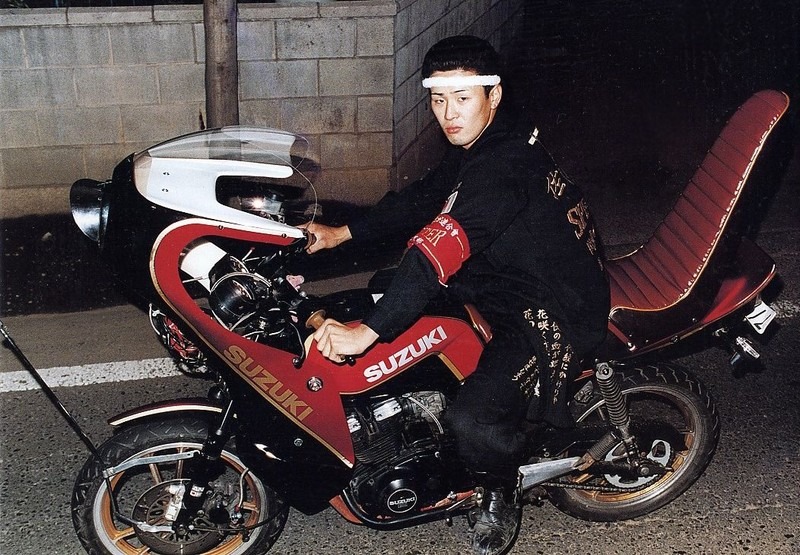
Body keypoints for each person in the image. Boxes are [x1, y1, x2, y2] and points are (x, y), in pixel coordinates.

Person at [304, 35, 609, 555]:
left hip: (550, 307)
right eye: (438, 99)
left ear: (494, 95)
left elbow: (437, 251)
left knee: (473, 418)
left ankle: (499, 491)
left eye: (462, 99)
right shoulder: (483, 140)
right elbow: (425, 199)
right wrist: (341, 234)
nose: (448, 114)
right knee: (386, 290)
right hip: (503, 278)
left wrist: (368, 334)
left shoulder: (503, 166)